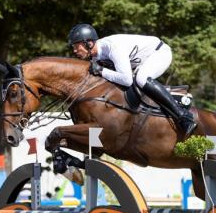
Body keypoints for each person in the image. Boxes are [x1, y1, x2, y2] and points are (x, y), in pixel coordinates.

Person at [67, 23, 197, 136]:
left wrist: (102, 71)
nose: (74, 51)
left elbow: (126, 79)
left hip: (159, 53)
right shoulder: (95, 56)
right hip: (140, 61)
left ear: (88, 43)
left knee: (141, 78)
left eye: (76, 46)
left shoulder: (113, 48)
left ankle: (183, 116)